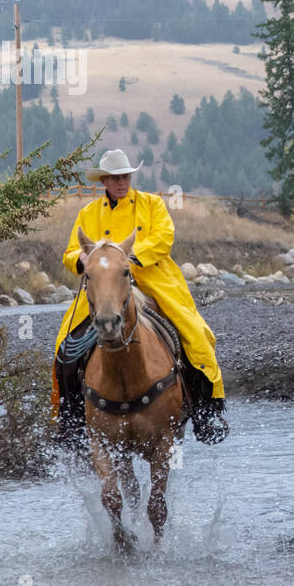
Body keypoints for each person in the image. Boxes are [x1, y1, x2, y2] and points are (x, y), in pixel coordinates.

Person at [52, 149, 229, 450]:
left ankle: (204, 411)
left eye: (126, 177)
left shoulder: (152, 204)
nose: (122, 182)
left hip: (153, 282)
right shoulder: (88, 213)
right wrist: (81, 260)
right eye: (116, 177)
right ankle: (71, 423)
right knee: (65, 350)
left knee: (198, 337)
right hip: (103, 289)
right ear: (104, 180)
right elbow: (71, 252)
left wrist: (127, 256)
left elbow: (163, 238)